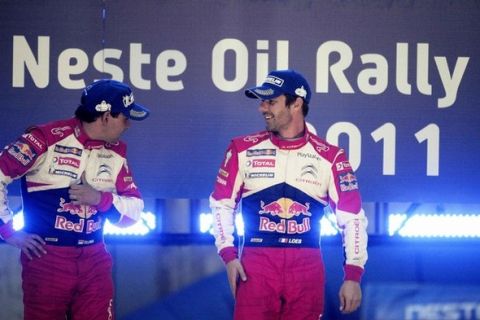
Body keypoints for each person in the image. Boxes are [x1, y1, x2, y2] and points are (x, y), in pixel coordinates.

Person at [210, 69, 368, 319]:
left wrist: (353, 274)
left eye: (271, 101)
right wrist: (228, 255)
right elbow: (221, 205)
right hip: (256, 265)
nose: (263, 108)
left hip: (306, 268)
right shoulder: (242, 149)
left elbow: (353, 218)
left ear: (296, 104)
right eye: (262, 101)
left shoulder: (331, 156)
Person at [0, 79, 150, 320]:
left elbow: (135, 212)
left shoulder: (116, 153)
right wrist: (7, 231)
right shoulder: (44, 139)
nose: (129, 125)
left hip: (95, 259)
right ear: (106, 117)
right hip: (46, 259)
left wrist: (101, 199)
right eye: (125, 117)